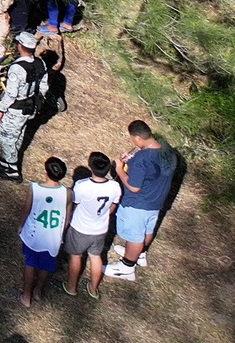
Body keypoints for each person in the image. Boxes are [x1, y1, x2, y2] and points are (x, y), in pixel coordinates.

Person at [106, 120, 177, 279]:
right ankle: (139, 254)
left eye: (133, 139)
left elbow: (133, 186)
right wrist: (131, 160)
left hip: (138, 204)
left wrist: (119, 168)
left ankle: (126, 268)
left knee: (135, 236)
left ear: (138, 138)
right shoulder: (167, 151)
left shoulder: (142, 159)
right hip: (156, 202)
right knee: (147, 230)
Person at [63, 151, 120, 298]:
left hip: (80, 228)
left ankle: (71, 287)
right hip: (100, 229)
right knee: (96, 257)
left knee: (75, 256)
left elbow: (73, 204)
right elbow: (112, 207)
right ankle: (94, 289)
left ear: (91, 167)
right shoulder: (115, 187)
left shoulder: (82, 186)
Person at [0, 30, 46, 179]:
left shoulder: (18, 68)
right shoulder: (40, 63)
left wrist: (1, 109)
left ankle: (13, 170)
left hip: (16, 108)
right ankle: (8, 161)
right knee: (19, 133)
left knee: (7, 137)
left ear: (21, 46)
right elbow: (44, 86)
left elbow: (11, 94)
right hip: (31, 106)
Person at [19, 155, 69, 308]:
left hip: (34, 234)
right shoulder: (68, 193)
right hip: (52, 237)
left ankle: (26, 296)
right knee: (46, 265)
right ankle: (38, 292)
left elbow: (27, 209)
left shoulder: (35, 188)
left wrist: (21, 225)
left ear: (46, 172)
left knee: (30, 264)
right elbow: (67, 217)